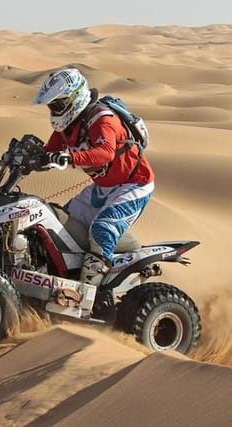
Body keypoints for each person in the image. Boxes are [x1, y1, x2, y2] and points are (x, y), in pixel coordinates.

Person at [33, 67, 155, 286]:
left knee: (102, 229)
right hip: (104, 186)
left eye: (58, 105)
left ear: (75, 98)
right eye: (52, 106)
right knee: (60, 226)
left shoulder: (102, 119)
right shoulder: (67, 127)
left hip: (134, 184)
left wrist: (70, 157)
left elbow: (106, 153)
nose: (55, 111)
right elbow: (48, 152)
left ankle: (90, 292)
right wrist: (26, 156)